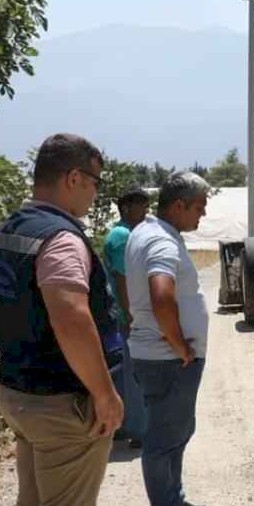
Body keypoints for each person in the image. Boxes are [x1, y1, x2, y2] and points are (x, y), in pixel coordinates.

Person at [0, 133, 122, 506]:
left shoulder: (10, 228)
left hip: (19, 393)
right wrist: (104, 394)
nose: (96, 192)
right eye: (95, 181)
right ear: (74, 177)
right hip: (62, 403)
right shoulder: (61, 239)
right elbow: (70, 318)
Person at [126, 172, 212, 506]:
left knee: (175, 432)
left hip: (159, 355)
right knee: (164, 439)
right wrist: (179, 346)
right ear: (178, 206)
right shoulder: (161, 241)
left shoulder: (144, 232)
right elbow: (161, 295)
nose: (202, 215)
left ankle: (172, 500)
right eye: (199, 207)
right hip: (167, 358)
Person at [103, 188, 150, 447]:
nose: (145, 211)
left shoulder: (127, 234)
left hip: (122, 312)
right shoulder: (122, 236)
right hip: (125, 313)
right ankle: (139, 430)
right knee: (134, 374)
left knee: (122, 372)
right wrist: (132, 315)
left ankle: (121, 425)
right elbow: (123, 279)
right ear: (126, 208)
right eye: (141, 206)